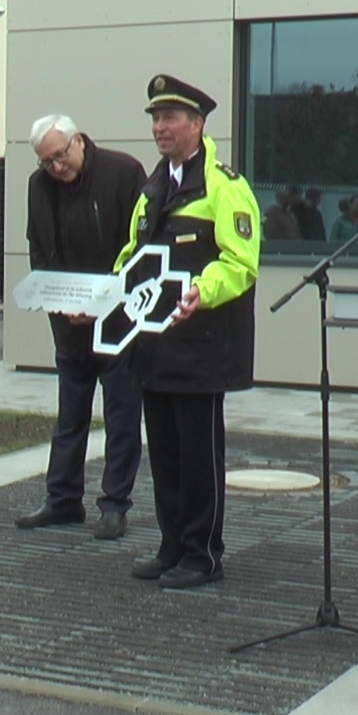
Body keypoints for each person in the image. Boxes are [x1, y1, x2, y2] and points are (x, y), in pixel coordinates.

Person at [116, 74, 259, 590]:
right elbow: (132, 257)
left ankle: (203, 554)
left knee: (200, 457)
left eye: (170, 118)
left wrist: (203, 289)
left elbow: (241, 263)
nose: (160, 127)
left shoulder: (225, 185)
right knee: (166, 453)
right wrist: (105, 297)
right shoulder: (152, 188)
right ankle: (171, 546)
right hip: (155, 348)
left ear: (197, 124)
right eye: (156, 118)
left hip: (201, 348)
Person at [19, 114, 147, 539]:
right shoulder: (39, 187)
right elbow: (38, 247)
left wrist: (106, 302)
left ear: (78, 141)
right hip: (68, 323)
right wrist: (54, 298)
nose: (56, 168)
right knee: (70, 416)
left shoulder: (123, 173)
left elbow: (143, 249)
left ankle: (115, 504)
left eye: (60, 156)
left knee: (121, 416)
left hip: (118, 322)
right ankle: (62, 499)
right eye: (47, 162)